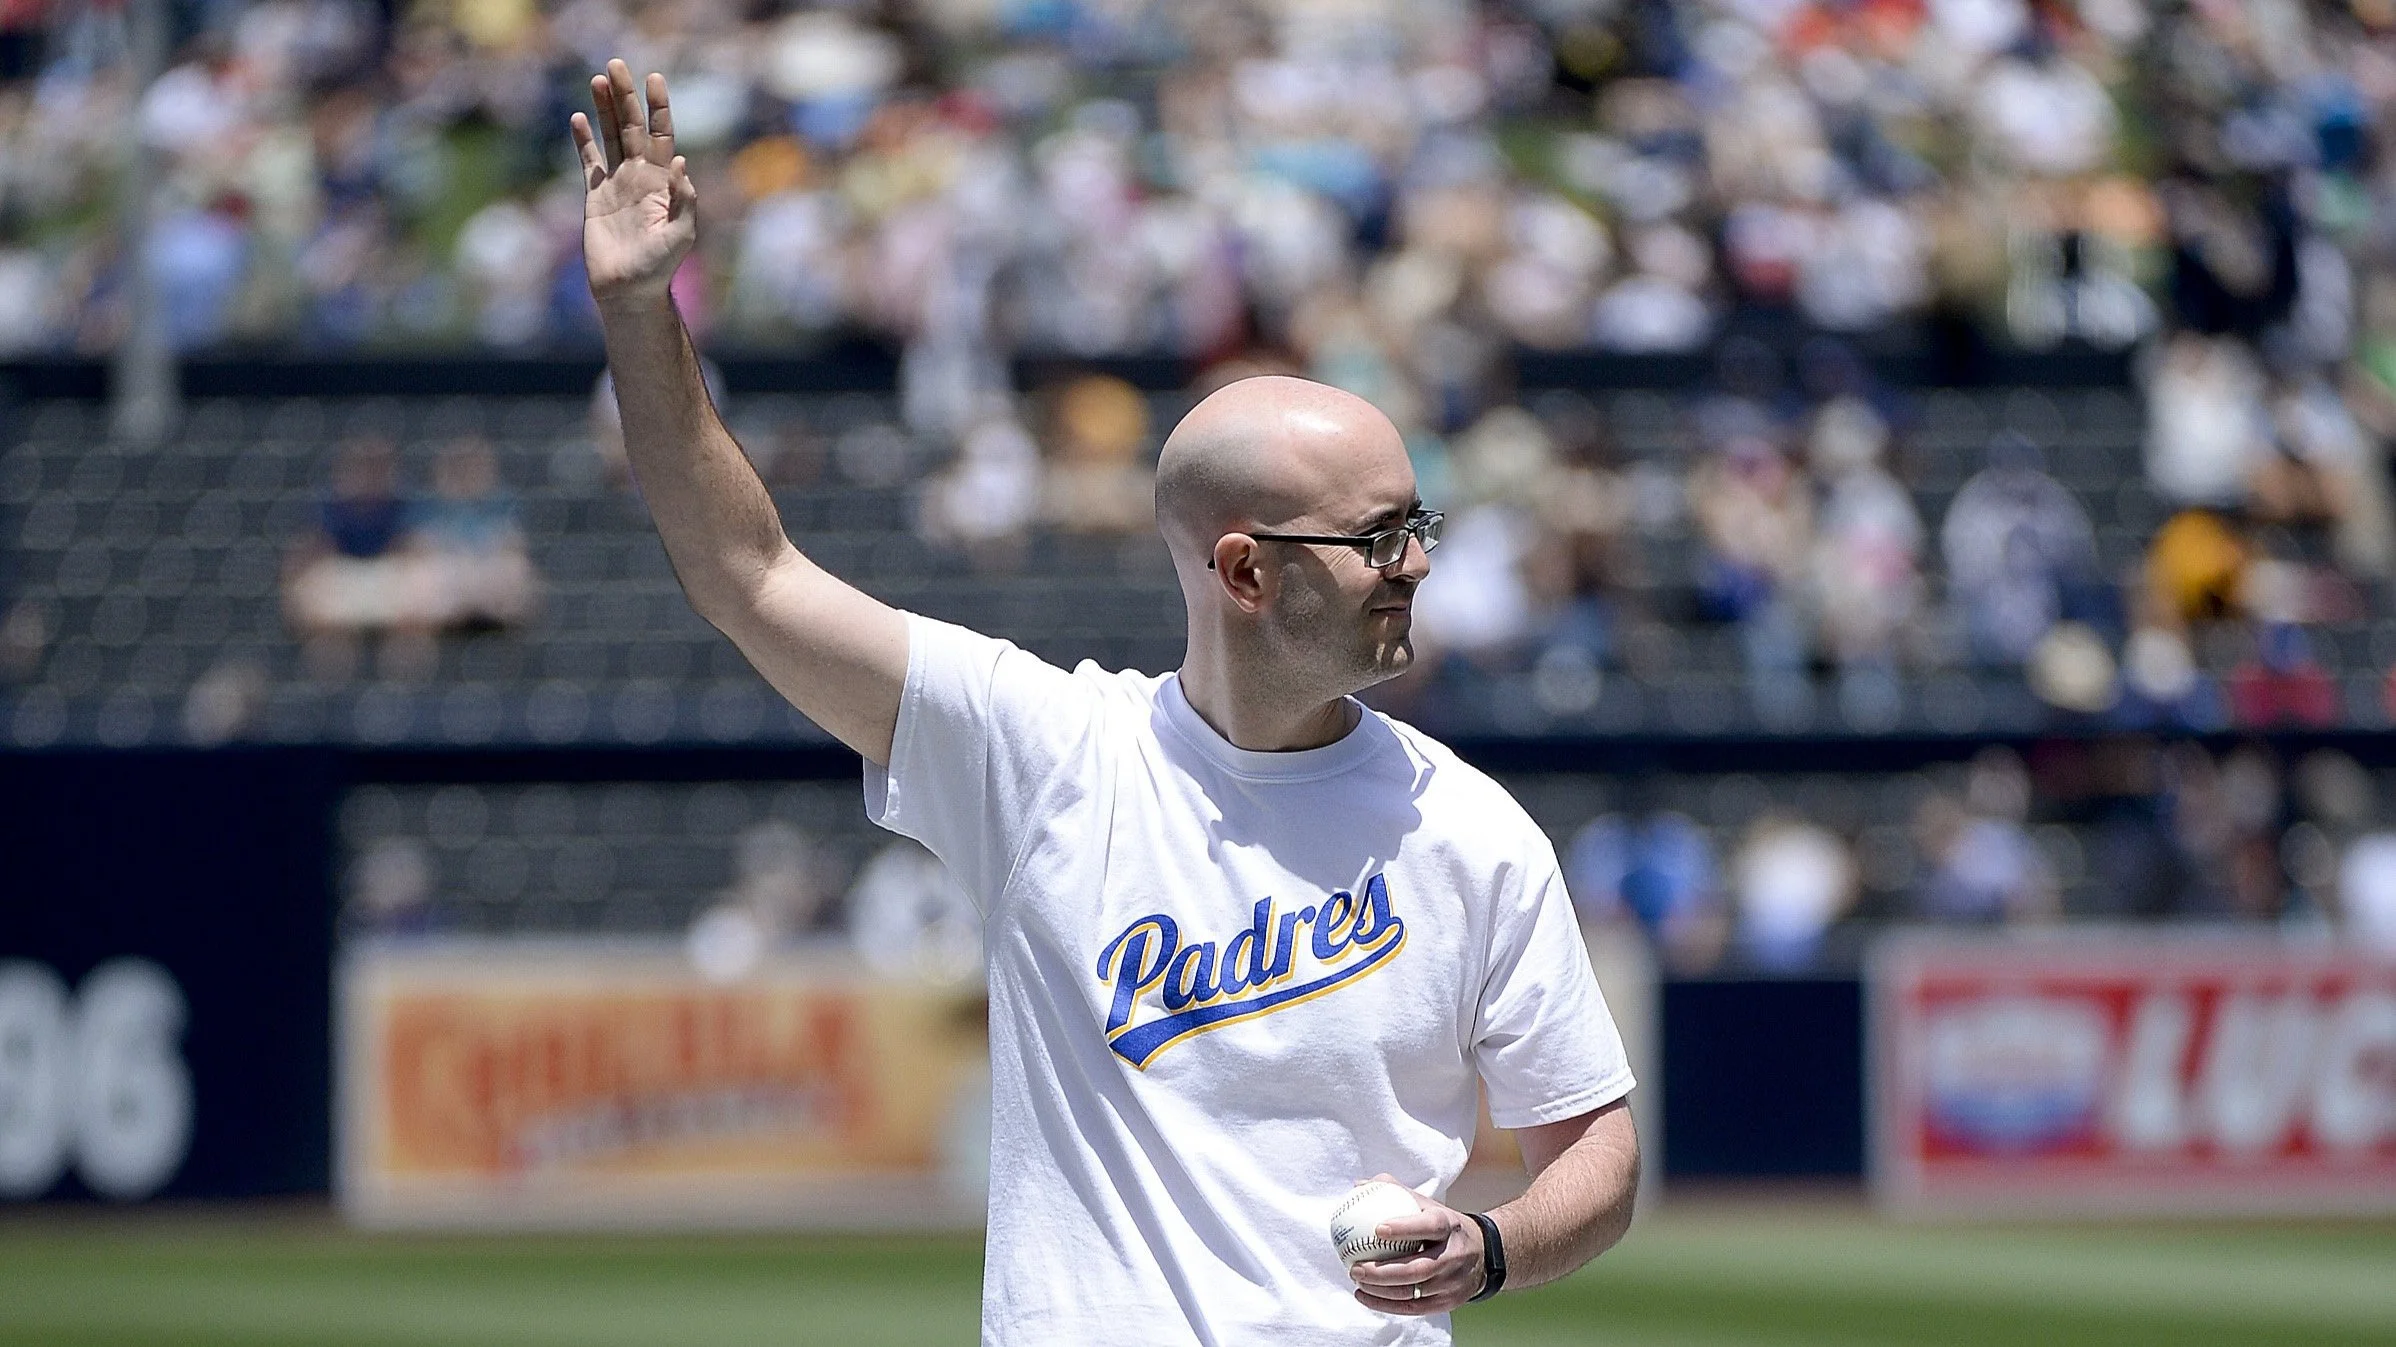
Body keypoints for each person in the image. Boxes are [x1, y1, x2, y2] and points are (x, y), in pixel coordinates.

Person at [574, 60, 1638, 1345]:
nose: (1414, 562)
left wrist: (1488, 1248)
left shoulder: (1469, 829)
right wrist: (643, 311)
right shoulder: (1043, 754)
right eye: (1376, 536)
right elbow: (747, 574)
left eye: (1417, 525)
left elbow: (1594, 1147)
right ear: (1244, 568)